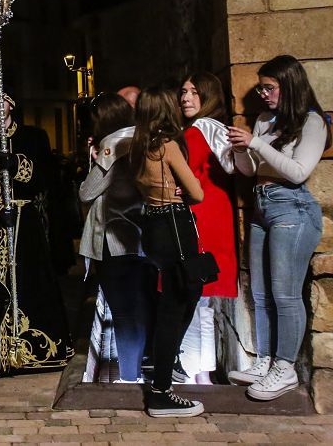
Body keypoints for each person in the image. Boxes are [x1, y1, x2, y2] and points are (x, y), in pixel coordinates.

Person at [228, 55, 330, 400]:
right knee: (260, 292)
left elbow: (299, 171)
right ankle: (266, 358)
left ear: (290, 85)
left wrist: (256, 143)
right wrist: (239, 150)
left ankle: (285, 368)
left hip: (293, 207)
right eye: (261, 87)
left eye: (269, 87)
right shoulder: (263, 120)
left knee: (285, 293)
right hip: (262, 206)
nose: (263, 94)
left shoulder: (312, 122)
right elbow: (248, 170)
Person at [0, 92, 73, 382]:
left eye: (3, 100)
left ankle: (33, 350)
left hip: (25, 227)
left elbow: (46, 179)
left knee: (30, 282)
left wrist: (17, 166)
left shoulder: (34, 137)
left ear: (12, 104)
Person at [130, 87, 206, 417]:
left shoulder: (133, 146)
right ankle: (161, 391)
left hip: (152, 226)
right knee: (177, 306)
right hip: (175, 225)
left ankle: (164, 371)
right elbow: (198, 193)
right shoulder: (167, 146)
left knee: (179, 299)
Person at [77, 94, 152, 383]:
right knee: (139, 308)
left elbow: (87, 191)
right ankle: (136, 369)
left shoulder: (113, 144)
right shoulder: (141, 137)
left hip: (114, 237)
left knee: (123, 312)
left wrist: (94, 159)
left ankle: (130, 376)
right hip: (142, 236)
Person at [177, 73, 237, 385]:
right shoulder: (218, 128)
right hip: (217, 211)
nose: (186, 97)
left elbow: (183, 174)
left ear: (209, 96)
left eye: (194, 92)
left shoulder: (197, 130)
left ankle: (192, 371)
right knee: (204, 301)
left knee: (192, 296)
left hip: (200, 213)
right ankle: (203, 372)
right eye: (184, 91)